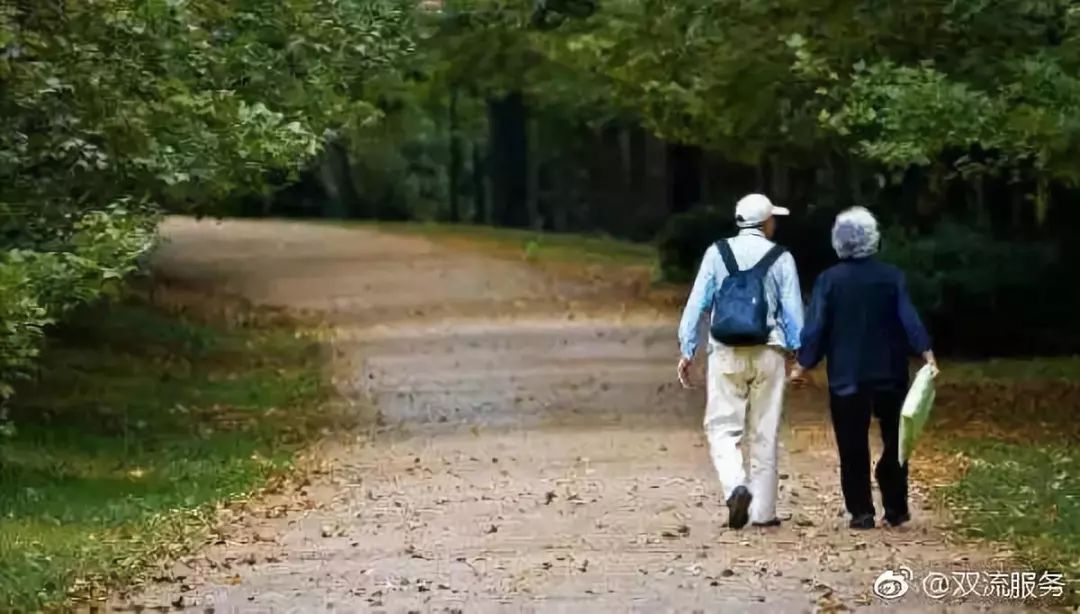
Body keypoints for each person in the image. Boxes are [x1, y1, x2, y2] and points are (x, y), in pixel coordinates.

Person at [790, 206, 939, 530]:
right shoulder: (891, 277)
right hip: (890, 372)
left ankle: (861, 511)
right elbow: (908, 316)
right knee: (896, 439)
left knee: (852, 442)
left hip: (847, 376)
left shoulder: (829, 280)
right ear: (874, 238)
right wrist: (926, 351)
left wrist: (803, 364)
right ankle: (896, 506)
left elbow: (816, 327)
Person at [677, 193, 804, 529]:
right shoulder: (782, 257)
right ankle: (764, 513)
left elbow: (696, 304)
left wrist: (687, 349)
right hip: (769, 351)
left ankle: (735, 486)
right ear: (765, 223)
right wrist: (798, 353)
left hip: (725, 351)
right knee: (765, 430)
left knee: (722, 427)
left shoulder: (716, 253)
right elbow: (794, 312)